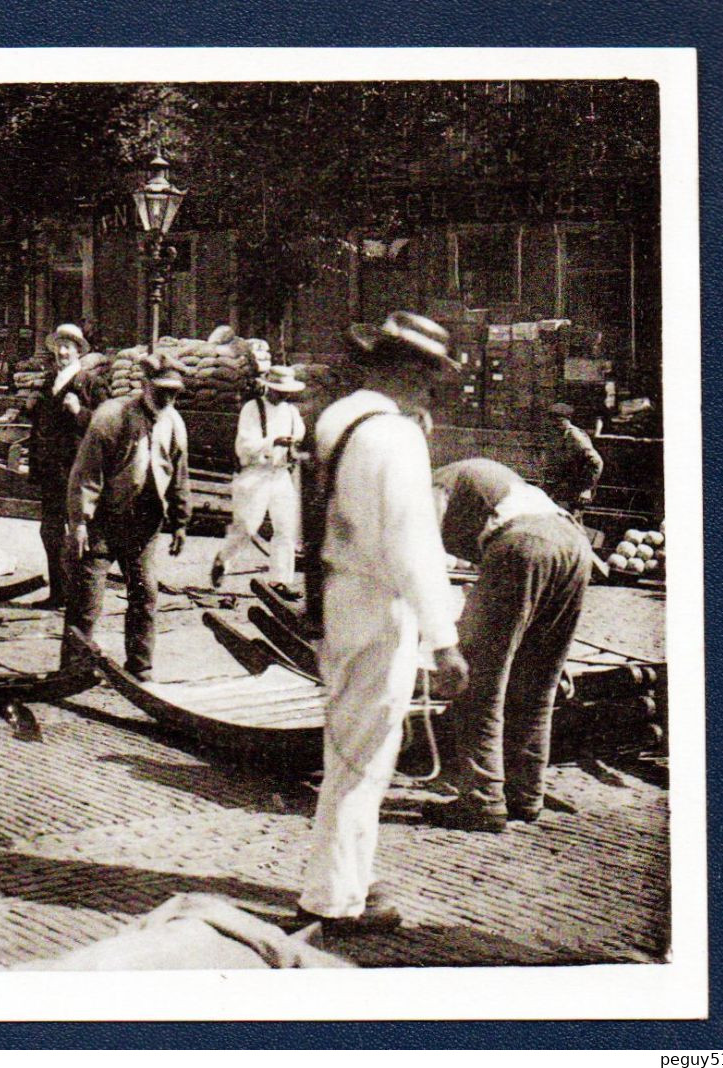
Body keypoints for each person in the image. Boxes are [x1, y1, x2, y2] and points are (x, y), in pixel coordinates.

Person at [294, 312, 470, 935]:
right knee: (364, 760)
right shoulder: (395, 437)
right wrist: (445, 640)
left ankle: (354, 875)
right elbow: (412, 545)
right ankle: (334, 901)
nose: (431, 390)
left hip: (334, 596)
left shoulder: (339, 418)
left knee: (347, 747)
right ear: (404, 370)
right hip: (376, 607)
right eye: (428, 376)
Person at [423, 459, 591, 832]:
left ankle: (482, 801)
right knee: (536, 686)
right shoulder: (486, 480)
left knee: (478, 682)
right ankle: (526, 795)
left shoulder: (435, 484)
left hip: (523, 546)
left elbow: (425, 561)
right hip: (574, 546)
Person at [64, 352, 190, 683]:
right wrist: (79, 522)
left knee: (145, 595)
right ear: (145, 385)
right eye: (162, 390)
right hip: (102, 521)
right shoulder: (112, 416)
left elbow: (178, 475)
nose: (168, 398)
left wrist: (180, 522)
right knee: (87, 601)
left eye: (174, 392)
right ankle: (73, 669)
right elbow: (86, 474)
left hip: (144, 524)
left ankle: (140, 667)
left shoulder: (174, 422)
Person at [211, 365, 307, 598]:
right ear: (269, 388)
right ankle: (223, 560)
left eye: (286, 391)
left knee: (286, 528)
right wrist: (273, 441)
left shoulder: (292, 413)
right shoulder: (253, 409)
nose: (283, 395)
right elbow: (244, 446)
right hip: (255, 474)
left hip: (281, 474)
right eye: (278, 390)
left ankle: (280, 581)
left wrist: (293, 448)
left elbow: (300, 438)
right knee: (247, 527)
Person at [27, 323, 102, 609]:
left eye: (68, 346)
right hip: (50, 471)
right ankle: (58, 593)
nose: (62, 351)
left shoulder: (91, 384)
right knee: (51, 531)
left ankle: (83, 597)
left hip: (77, 471)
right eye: (58, 346)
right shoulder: (48, 383)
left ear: (78, 351)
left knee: (80, 532)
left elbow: (106, 425)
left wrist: (80, 412)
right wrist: (30, 408)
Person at [545, 402, 604, 522]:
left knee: (572, 522)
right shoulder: (560, 435)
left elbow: (597, 462)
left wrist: (587, 489)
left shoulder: (575, 436)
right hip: (564, 487)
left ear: (566, 419)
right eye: (552, 420)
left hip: (577, 489)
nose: (554, 424)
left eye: (558, 420)